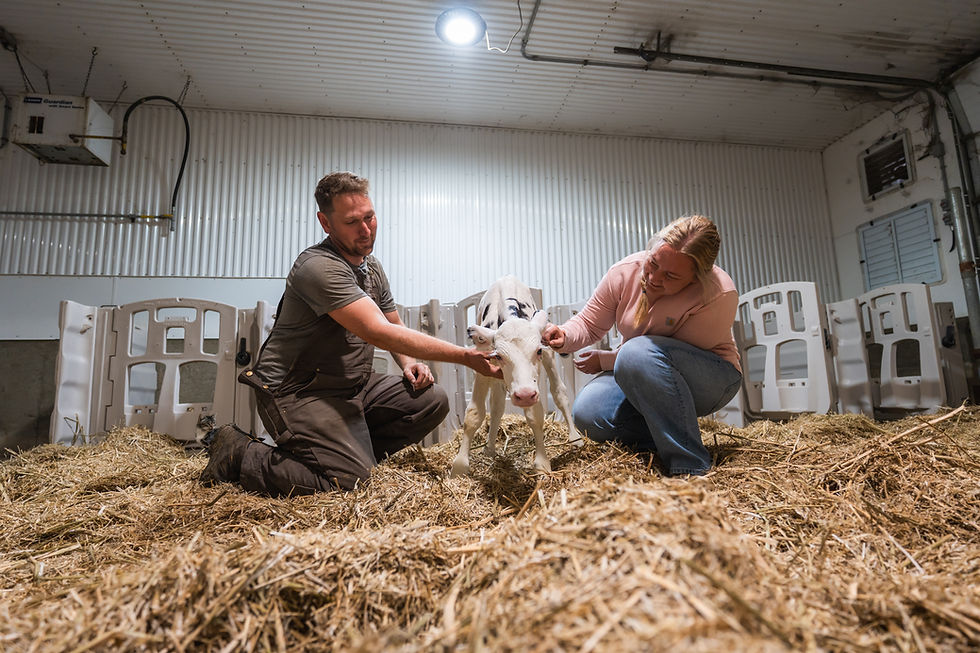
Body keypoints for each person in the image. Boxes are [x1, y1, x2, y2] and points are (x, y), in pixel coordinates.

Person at [200, 171, 500, 495]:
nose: (366, 229)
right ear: (325, 223)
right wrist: (466, 356)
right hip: (297, 391)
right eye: (352, 222)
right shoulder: (318, 268)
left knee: (430, 400)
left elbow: (393, 323)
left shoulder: (372, 268)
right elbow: (378, 332)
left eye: (370, 217)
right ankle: (240, 453)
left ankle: (349, 457)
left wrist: (408, 362)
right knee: (350, 485)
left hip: (350, 384)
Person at [541, 215, 742, 476]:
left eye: (670, 275)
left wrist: (605, 360)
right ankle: (659, 443)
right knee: (588, 412)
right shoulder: (625, 272)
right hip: (641, 369)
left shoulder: (718, 293)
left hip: (711, 377)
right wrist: (564, 334)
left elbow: (662, 359)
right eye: (653, 262)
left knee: (636, 354)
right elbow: (590, 323)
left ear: (696, 278)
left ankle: (690, 466)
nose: (653, 277)